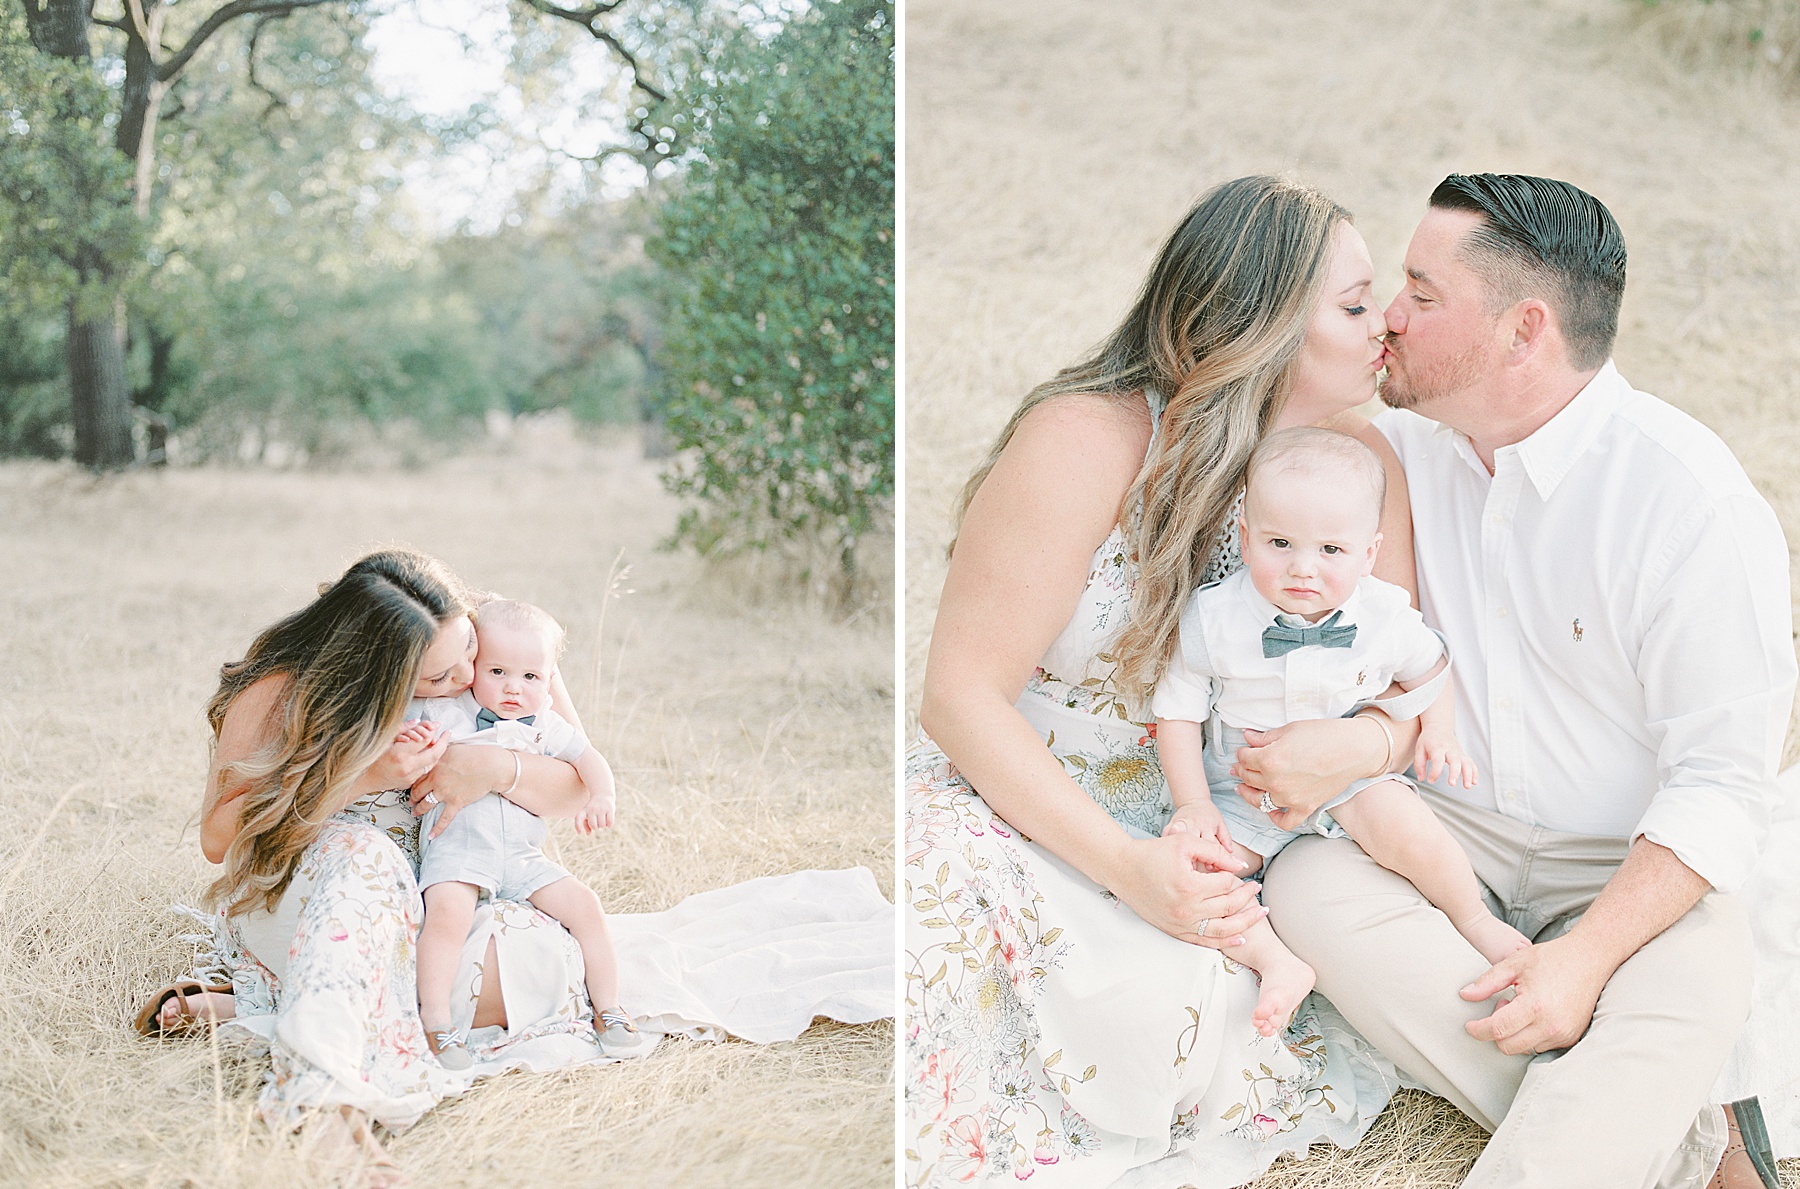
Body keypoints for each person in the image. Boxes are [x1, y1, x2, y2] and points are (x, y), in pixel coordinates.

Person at [1254, 174, 1796, 1188]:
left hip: (1629, 865)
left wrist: (1585, 959)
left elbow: (1723, 787)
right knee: (1309, 885)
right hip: (1459, 839)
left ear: (1522, 330)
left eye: (1420, 291)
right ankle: (1684, 1139)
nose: (1390, 321)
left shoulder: (1689, 504)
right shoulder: (1394, 462)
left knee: (1709, 950)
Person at [906, 176, 1420, 1188]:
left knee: (1177, 1008)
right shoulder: (1087, 435)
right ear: (1253, 323)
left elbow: (1398, 687)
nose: (1386, 324)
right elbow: (959, 697)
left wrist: (1360, 746)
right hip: (1018, 797)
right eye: (1354, 305)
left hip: (1227, 824)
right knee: (948, 945)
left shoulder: (1359, 467)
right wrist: (1125, 867)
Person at [137, 550, 612, 1183]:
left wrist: (494, 769)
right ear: (380, 673)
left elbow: (577, 786)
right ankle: (324, 1103)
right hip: (311, 888)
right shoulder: (279, 688)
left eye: (470, 650)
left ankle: (262, 1007)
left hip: (436, 887)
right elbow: (218, 838)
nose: (472, 675)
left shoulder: (500, 643)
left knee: (549, 964)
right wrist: (363, 778)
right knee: (368, 859)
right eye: (441, 679)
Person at [1152, 426, 1526, 1038]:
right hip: (1242, 795)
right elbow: (1178, 712)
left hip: (1347, 782)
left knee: (1411, 831)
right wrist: (1194, 804)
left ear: (1368, 553)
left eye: (1331, 550)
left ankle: (1472, 919)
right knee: (1196, 876)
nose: (1303, 568)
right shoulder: (1213, 620)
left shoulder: (1382, 614)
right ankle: (1276, 962)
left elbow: (1431, 664)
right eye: (1279, 543)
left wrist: (1441, 733)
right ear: (1245, 536)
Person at [409, 599, 632, 1068]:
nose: (514, 688)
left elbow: (588, 758)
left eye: (530, 677)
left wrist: (602, 797)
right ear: (472, 666)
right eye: (497, 672)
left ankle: (609, 1009)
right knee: (446, 918)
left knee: (586, 907)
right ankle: (437, 1024)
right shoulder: (446, 710)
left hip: (523, 857)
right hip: (459, 850)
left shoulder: (545, 724)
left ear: (548, 679)